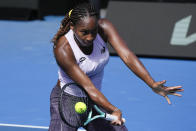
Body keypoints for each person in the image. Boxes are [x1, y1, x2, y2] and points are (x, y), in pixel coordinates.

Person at [48, 2, 183, 131]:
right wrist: (113, 109)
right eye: (84, 32)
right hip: (67, 101)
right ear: (72, 26)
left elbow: (127, 56)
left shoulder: (104, 28)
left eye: (93, 31)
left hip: (95, 101)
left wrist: (152, 83)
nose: (90, 38)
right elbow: (88, 87)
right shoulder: (63, 49)